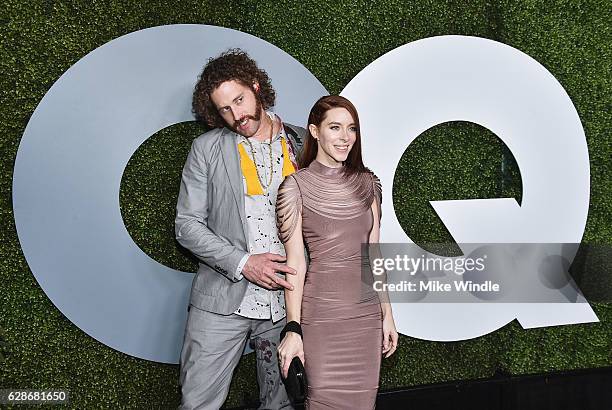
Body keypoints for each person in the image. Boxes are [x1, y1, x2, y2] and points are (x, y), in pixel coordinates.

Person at [175, 49, 307, 409]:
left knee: (282, 405)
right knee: (198, 404)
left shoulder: (301, 143)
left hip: (286, 305)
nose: (237, 115)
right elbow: (186, 226)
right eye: (225, 110)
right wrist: (244, 262)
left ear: (256, 86)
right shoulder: (206, 149)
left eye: (240, 100)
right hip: (222, 303)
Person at [275, 95, 399, 408]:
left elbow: (374, 254)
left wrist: (388, 314)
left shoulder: (368, 184)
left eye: (351, 128)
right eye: (335, 127)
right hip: (322, 320)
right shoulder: (295, 187)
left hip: (366, 318)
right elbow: (296, 265)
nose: (345, 137)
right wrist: (293, 328)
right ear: (315, 131)